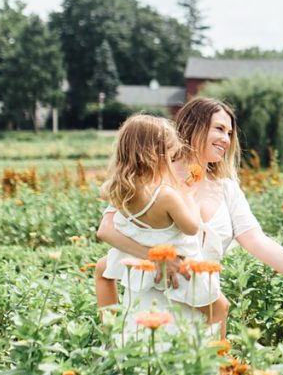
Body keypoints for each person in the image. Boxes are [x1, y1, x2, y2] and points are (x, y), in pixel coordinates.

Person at [95, 97, 283, 326]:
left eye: (229, 133)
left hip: (203, 305)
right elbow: (107, 229)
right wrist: (157, 257)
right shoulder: (154, 173)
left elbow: (256, 240)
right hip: (152, 304)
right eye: (219, 129)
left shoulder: (225, 186)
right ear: (194, 126)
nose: (226, 139)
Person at [96, 114, 228, 331]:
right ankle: (218, 357)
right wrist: (188, 195)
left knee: (102, 268)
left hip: (136, 260)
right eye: (171, 155)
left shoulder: (118, 189)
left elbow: (106, 228)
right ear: (158, 155)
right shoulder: (166, 195)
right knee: (220, 307)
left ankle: (109, 335)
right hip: (178, 263)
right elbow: (192, 227)